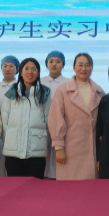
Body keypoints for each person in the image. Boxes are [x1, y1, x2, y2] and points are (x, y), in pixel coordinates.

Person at [48, 53, 105, 180]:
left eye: (87, 65)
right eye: (80, 65)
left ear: (92, 68)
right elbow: (55, 118)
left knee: (90, 188)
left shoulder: (99, 92)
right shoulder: (63, 90)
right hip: (69, 149)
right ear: (74, 67)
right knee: (70, 188)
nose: (83, 69)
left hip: (92, 149)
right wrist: (59, 147)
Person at [1, 58, 51, 179]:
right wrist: (12, 140)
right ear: (21, 72)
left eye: (34, 69)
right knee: (14, 188)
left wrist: (41, 143)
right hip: (13, 153)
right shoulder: (11, 93)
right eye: (26, 69)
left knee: (35, 189)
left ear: (38, 73)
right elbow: (4, 122)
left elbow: (49, 123)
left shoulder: (44, 93)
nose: (30, 72)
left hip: (36, 154)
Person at [40, 50, 69, 179]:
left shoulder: (69, 83)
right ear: (46, 64)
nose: (54, 64)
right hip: (42, 123)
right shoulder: (39, 82)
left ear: (63, 64)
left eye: (58, 61)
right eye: (51, 61)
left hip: (62, 123)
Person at [0, 55, 19, 177]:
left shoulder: (21, 87)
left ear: (17, 69)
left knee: (13, 164)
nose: (7, 69)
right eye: (5, 66)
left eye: (11, 66)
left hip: (15, 130)